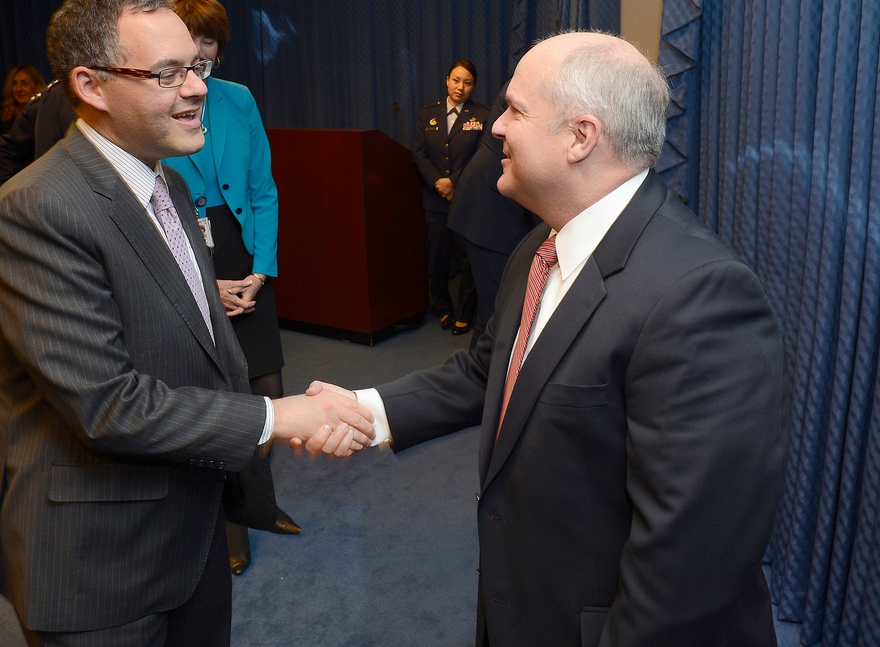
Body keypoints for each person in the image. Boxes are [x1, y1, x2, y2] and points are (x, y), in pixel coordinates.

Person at [310, 32, 789, 646]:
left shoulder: (702, 295)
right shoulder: (539, 247)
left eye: (515, 110)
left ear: (580, 137)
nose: (495, 128)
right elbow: (493, 371)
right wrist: (361, 411)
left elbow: (692, 561)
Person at [0, 0, 374, 646]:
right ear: (92, 85)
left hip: (190, 534)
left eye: (197, 66)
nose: (195, 89)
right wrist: (281, 416)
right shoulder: (38, 209)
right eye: (167, 73)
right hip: (103, 565)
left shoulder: (166, 179)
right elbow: (108, 405)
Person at [164, 0, 298, 577]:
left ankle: (259, 501)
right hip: (183, 245)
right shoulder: (153, 105)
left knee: (263, 384)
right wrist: (201, 277)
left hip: (243, 248)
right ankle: (224, 521)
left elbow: (264, 190)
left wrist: (260, 270)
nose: (199, 71)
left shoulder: (239, 100)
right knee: (211, 390)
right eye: (188, 57)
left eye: (208, 54)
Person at [447, 79, 538, 346]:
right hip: (489, 214)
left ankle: (481, 376)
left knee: (489, 310)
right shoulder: (530, 85)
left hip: (495, 212)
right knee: (497, 311)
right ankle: (490, 381)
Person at [413, 59, 489, 335]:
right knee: (438, 257)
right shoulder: (427, 114)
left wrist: (453, 182)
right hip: (435, 201)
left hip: (466, 200)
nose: (461, 87)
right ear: (447, 80)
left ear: (473, 86)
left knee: (469, 261)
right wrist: (438, 183)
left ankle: (465, 313)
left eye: (467, 83)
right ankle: (443, 308)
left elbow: (481, 156)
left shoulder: (481, 115)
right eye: (456, 80)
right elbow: (419, 154)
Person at [0, 80, 76, 195]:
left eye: (25, 83)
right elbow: (8, 152)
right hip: (60, 196)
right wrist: (6, 193)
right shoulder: (53, 97)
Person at [0, 64, 46, 145]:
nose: (19, 89)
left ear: (37, 86)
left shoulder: (46, 112)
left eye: (24, 83)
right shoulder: (5, 114)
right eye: (14, 84)